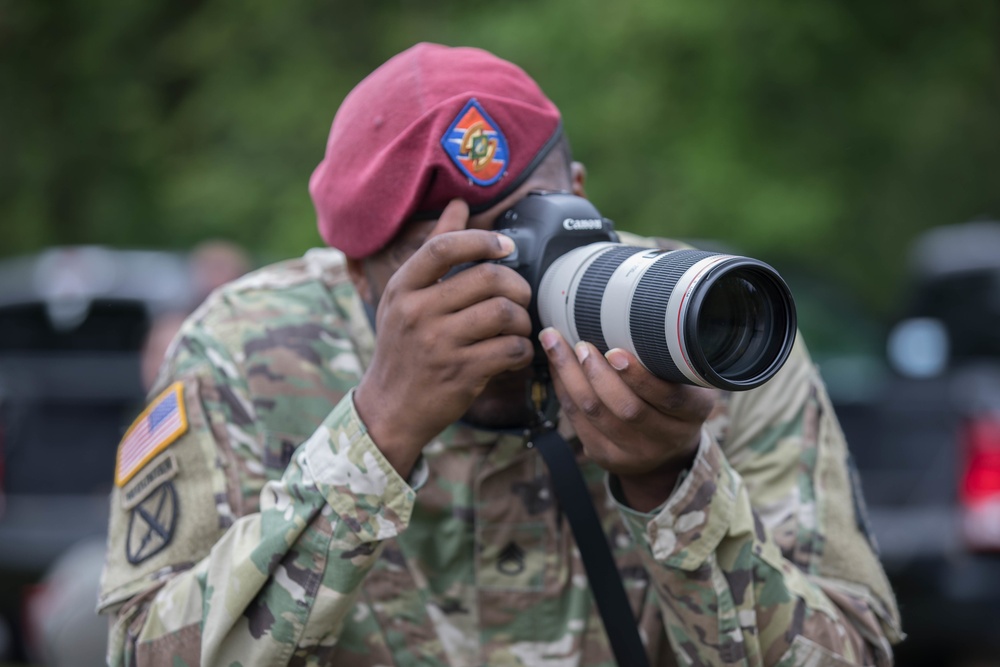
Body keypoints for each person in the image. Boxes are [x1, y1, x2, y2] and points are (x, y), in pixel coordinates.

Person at [98, 43, 903, 666]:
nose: (499, 288)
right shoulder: (247, 350)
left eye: (526, 225)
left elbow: (852, 649)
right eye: (442, 261)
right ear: (356, 273)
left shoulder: (706, 326)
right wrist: (376, 433)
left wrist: (672, 485)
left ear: (580, 187)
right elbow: (142, 651)